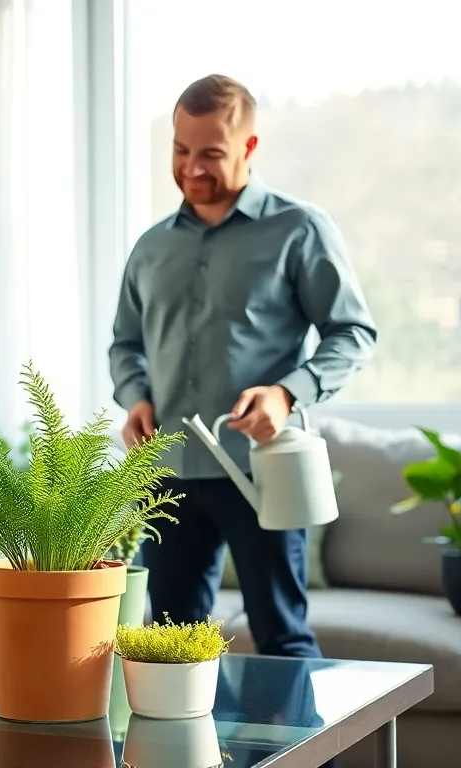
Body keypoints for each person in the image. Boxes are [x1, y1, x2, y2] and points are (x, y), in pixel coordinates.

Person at [109, 74, 377, 658]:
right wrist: (136, 396)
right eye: (180, 150)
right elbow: (125, 344)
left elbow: (353, 332)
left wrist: (287, 393)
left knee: (283, 639)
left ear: (249, 147)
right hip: (168, 476)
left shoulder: (299, 229)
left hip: (264, 471)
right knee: (170, 650)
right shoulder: (151, 247)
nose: (191, 168)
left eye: (210, 153)